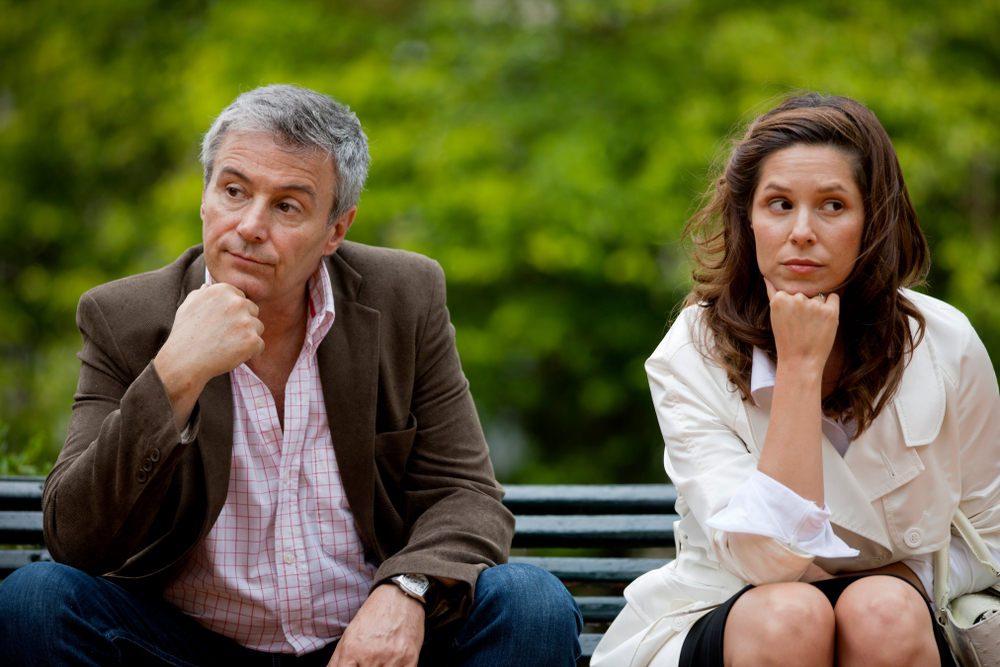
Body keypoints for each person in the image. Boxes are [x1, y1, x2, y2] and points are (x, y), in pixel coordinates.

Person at [0, 84, 582, 666]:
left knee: (531, 603)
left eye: (287, 206)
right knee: (36, 601)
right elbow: (74, 539)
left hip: (362, 648)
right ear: (205, 198)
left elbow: (466, 494)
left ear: (336, 230)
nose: (250, 225)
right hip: (187, 648)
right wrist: (174, 373)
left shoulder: (405, 296)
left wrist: (407, 588)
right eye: (233, 191)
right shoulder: (123, 318)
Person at [591, 92, 1000, 667]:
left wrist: (894, 580)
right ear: (748, 219)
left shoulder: (944, 341)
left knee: (880, 611)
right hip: (731, 610)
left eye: (833, 205)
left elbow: (990, 536)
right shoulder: (691, 350)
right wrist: (801, 371)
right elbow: (768, 560)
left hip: (902, 614)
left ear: (872, 221)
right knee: (791, 614)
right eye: (779, 204)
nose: (802, 231)